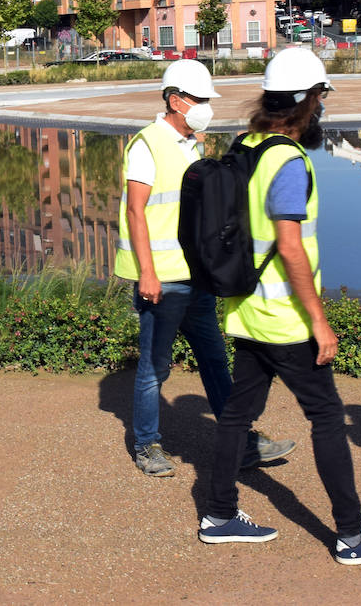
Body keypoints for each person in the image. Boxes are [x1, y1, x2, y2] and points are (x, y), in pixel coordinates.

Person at [197, 48, 361, 566]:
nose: (323, 109)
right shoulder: (288, 161)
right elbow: (290, 246)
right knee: (326, 417)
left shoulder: (246, 145)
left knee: (236, 414)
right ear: (307, 104)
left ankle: (219, 515)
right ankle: (353, 535)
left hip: (245, 309)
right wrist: (320, 321)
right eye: (320, 99)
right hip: (286, 321)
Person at [115, 59, 296, 477]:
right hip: (162, 279)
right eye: (198, 100)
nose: (205, 107)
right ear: (175, 100)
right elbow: (137, 213)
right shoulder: (147, 144)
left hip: (194, 275)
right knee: (154, 368)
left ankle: (242, 440)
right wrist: (147, 273)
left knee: (214, 358)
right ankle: (146, 446)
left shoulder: (191, 144)